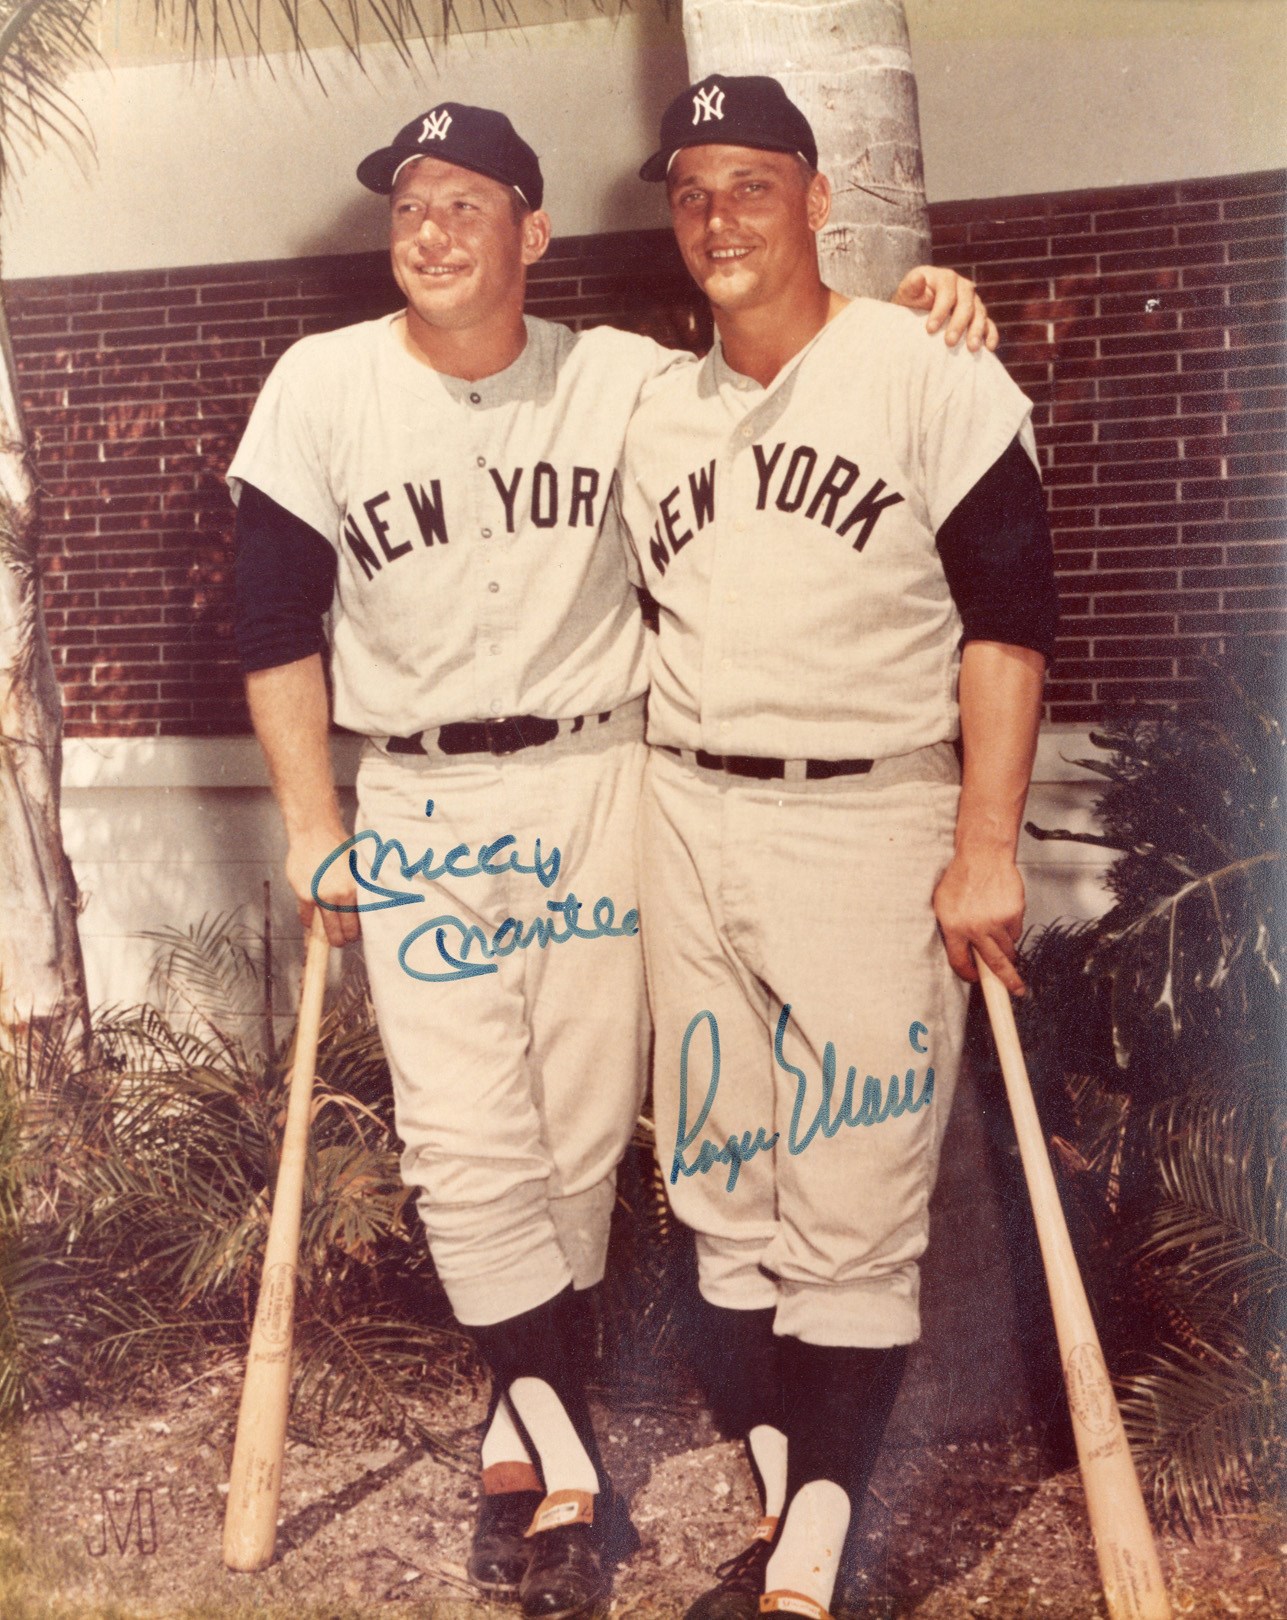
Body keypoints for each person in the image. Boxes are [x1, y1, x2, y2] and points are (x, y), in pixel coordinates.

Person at [228, 97, 999, 1620]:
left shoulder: (625, 380)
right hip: (425, 804)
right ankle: (564, 1446)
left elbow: (793, 367)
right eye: (409, 207)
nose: (432, 232)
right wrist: (317, 825)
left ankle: (530, 1426)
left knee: (586, 1144)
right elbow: (265, 623)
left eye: (468, 204)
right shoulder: (320, 386)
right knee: (464, 1143)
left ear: (536, 232)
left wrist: (932, 310)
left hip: (604, 777)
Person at [621, 75, 1059, 1620]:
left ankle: (812, 1553)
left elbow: (1011, 620)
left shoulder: (922, 365)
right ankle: (786, 1493)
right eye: (692, 190)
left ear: (820, 200)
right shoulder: (650, 405)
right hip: (686, 815)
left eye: (754, 183)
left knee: (855, 1194)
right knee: (722, 1188)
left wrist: (986, 844)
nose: (720, 216)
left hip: (873, 816)